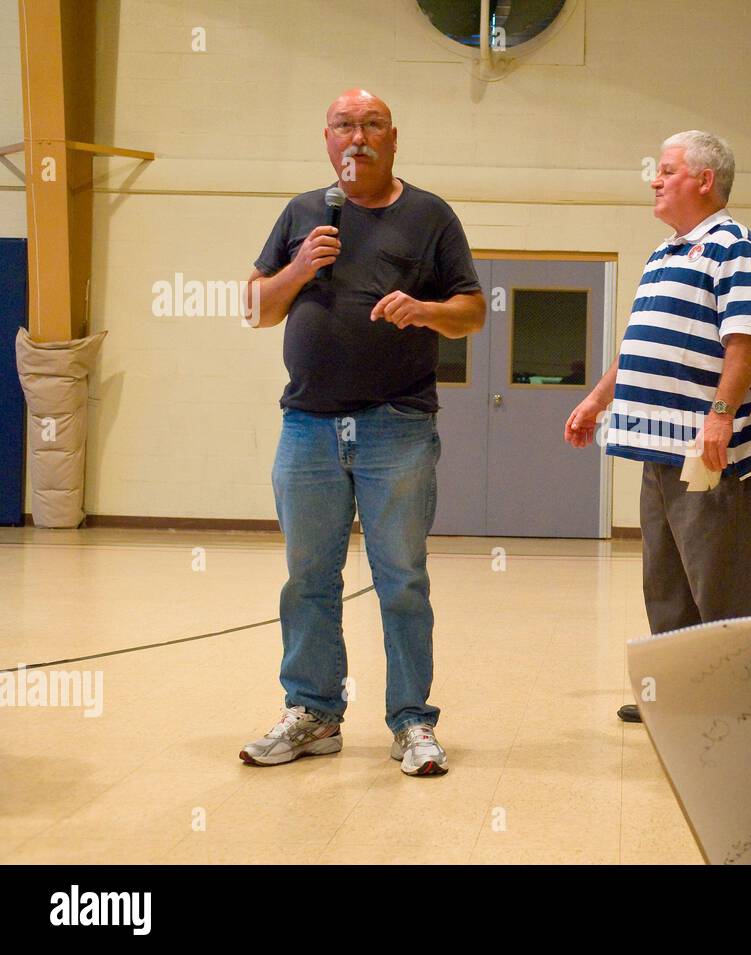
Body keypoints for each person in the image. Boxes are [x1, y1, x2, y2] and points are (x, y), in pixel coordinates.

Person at [238, 89, 486, 775]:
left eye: (371, 125)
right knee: (307, 576)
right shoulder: (301, 214)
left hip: (396, 426)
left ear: (393, 138)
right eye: (345, 126)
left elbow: (472, 311)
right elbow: (254, 309)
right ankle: (312, 712)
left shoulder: (430, 215)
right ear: (326, 139)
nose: (358, 137)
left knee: (401, 578)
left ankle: (412, 722)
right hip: (307, 426)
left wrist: (429, 309)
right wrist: (297, 268)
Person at [564, 130, 751, 723]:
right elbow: (637, 345)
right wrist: (599, 400)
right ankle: (677, 695)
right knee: (667, 584)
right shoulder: (664, 254)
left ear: (704, 181)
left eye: (666, 170)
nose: (654, 180)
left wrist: (719, 416)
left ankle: (736, 702)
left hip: (709, 453)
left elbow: (746, 340)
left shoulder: (736, 248)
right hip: (657, 449)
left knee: (720, 585)